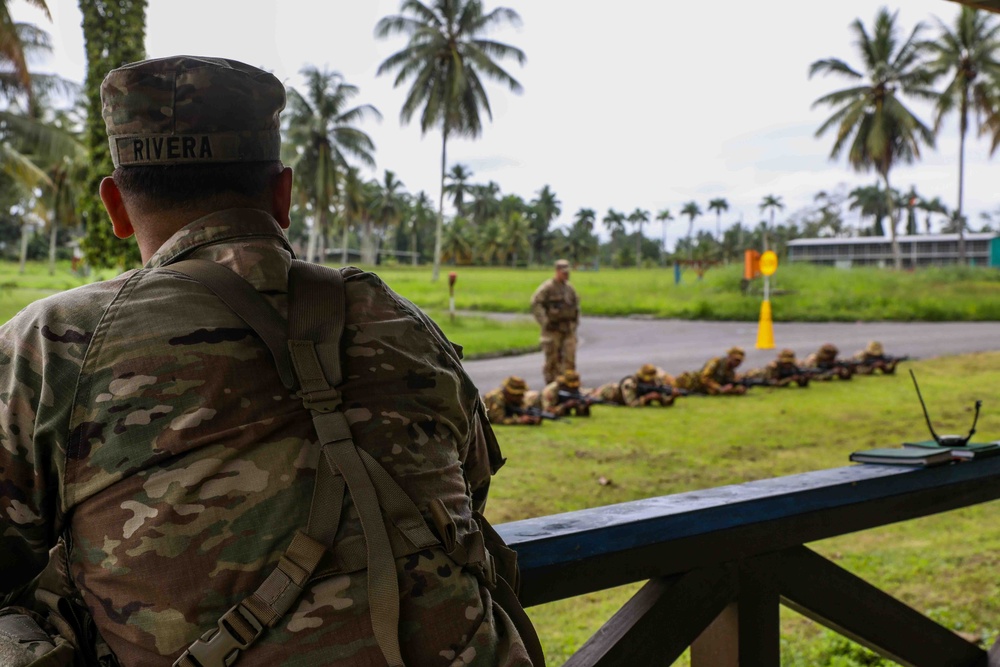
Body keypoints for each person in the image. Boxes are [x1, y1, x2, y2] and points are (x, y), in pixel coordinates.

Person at [0, 56, 536, 666]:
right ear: (282, 194)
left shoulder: (55, 341)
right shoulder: (400, 320)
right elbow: (469, 491)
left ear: (116, 206)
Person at [531, 258, 580, 384]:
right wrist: (544, 321)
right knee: (552, 361)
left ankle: (568, 385)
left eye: (567, 272)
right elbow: (536, 303)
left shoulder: (570, 289)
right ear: (557, 271)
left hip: (568, 330)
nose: (566, 275)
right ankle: (552, 386)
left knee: (569, 359)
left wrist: (574, 324)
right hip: (552, 330)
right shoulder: (548, 287)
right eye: (563, 272)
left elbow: (576, 307)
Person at [589, 364, 677, 407]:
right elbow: (631, 403)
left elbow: (665, 403)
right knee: (589, 395)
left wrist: (671, 397)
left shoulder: (655, 382)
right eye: (649, 380)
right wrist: (647, 398)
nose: (652, 382)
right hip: (608, 392)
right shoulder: (630, 383)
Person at [674, 346, 748, 395]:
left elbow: (724, 388)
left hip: (700, 389)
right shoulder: (716, 362)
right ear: (729, 356)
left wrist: (736, 390)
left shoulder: (730, 372)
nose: (738, 363)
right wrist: (719, 388)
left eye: (740, 361)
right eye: (736, 360)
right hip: (688, 382)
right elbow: (704, 378)